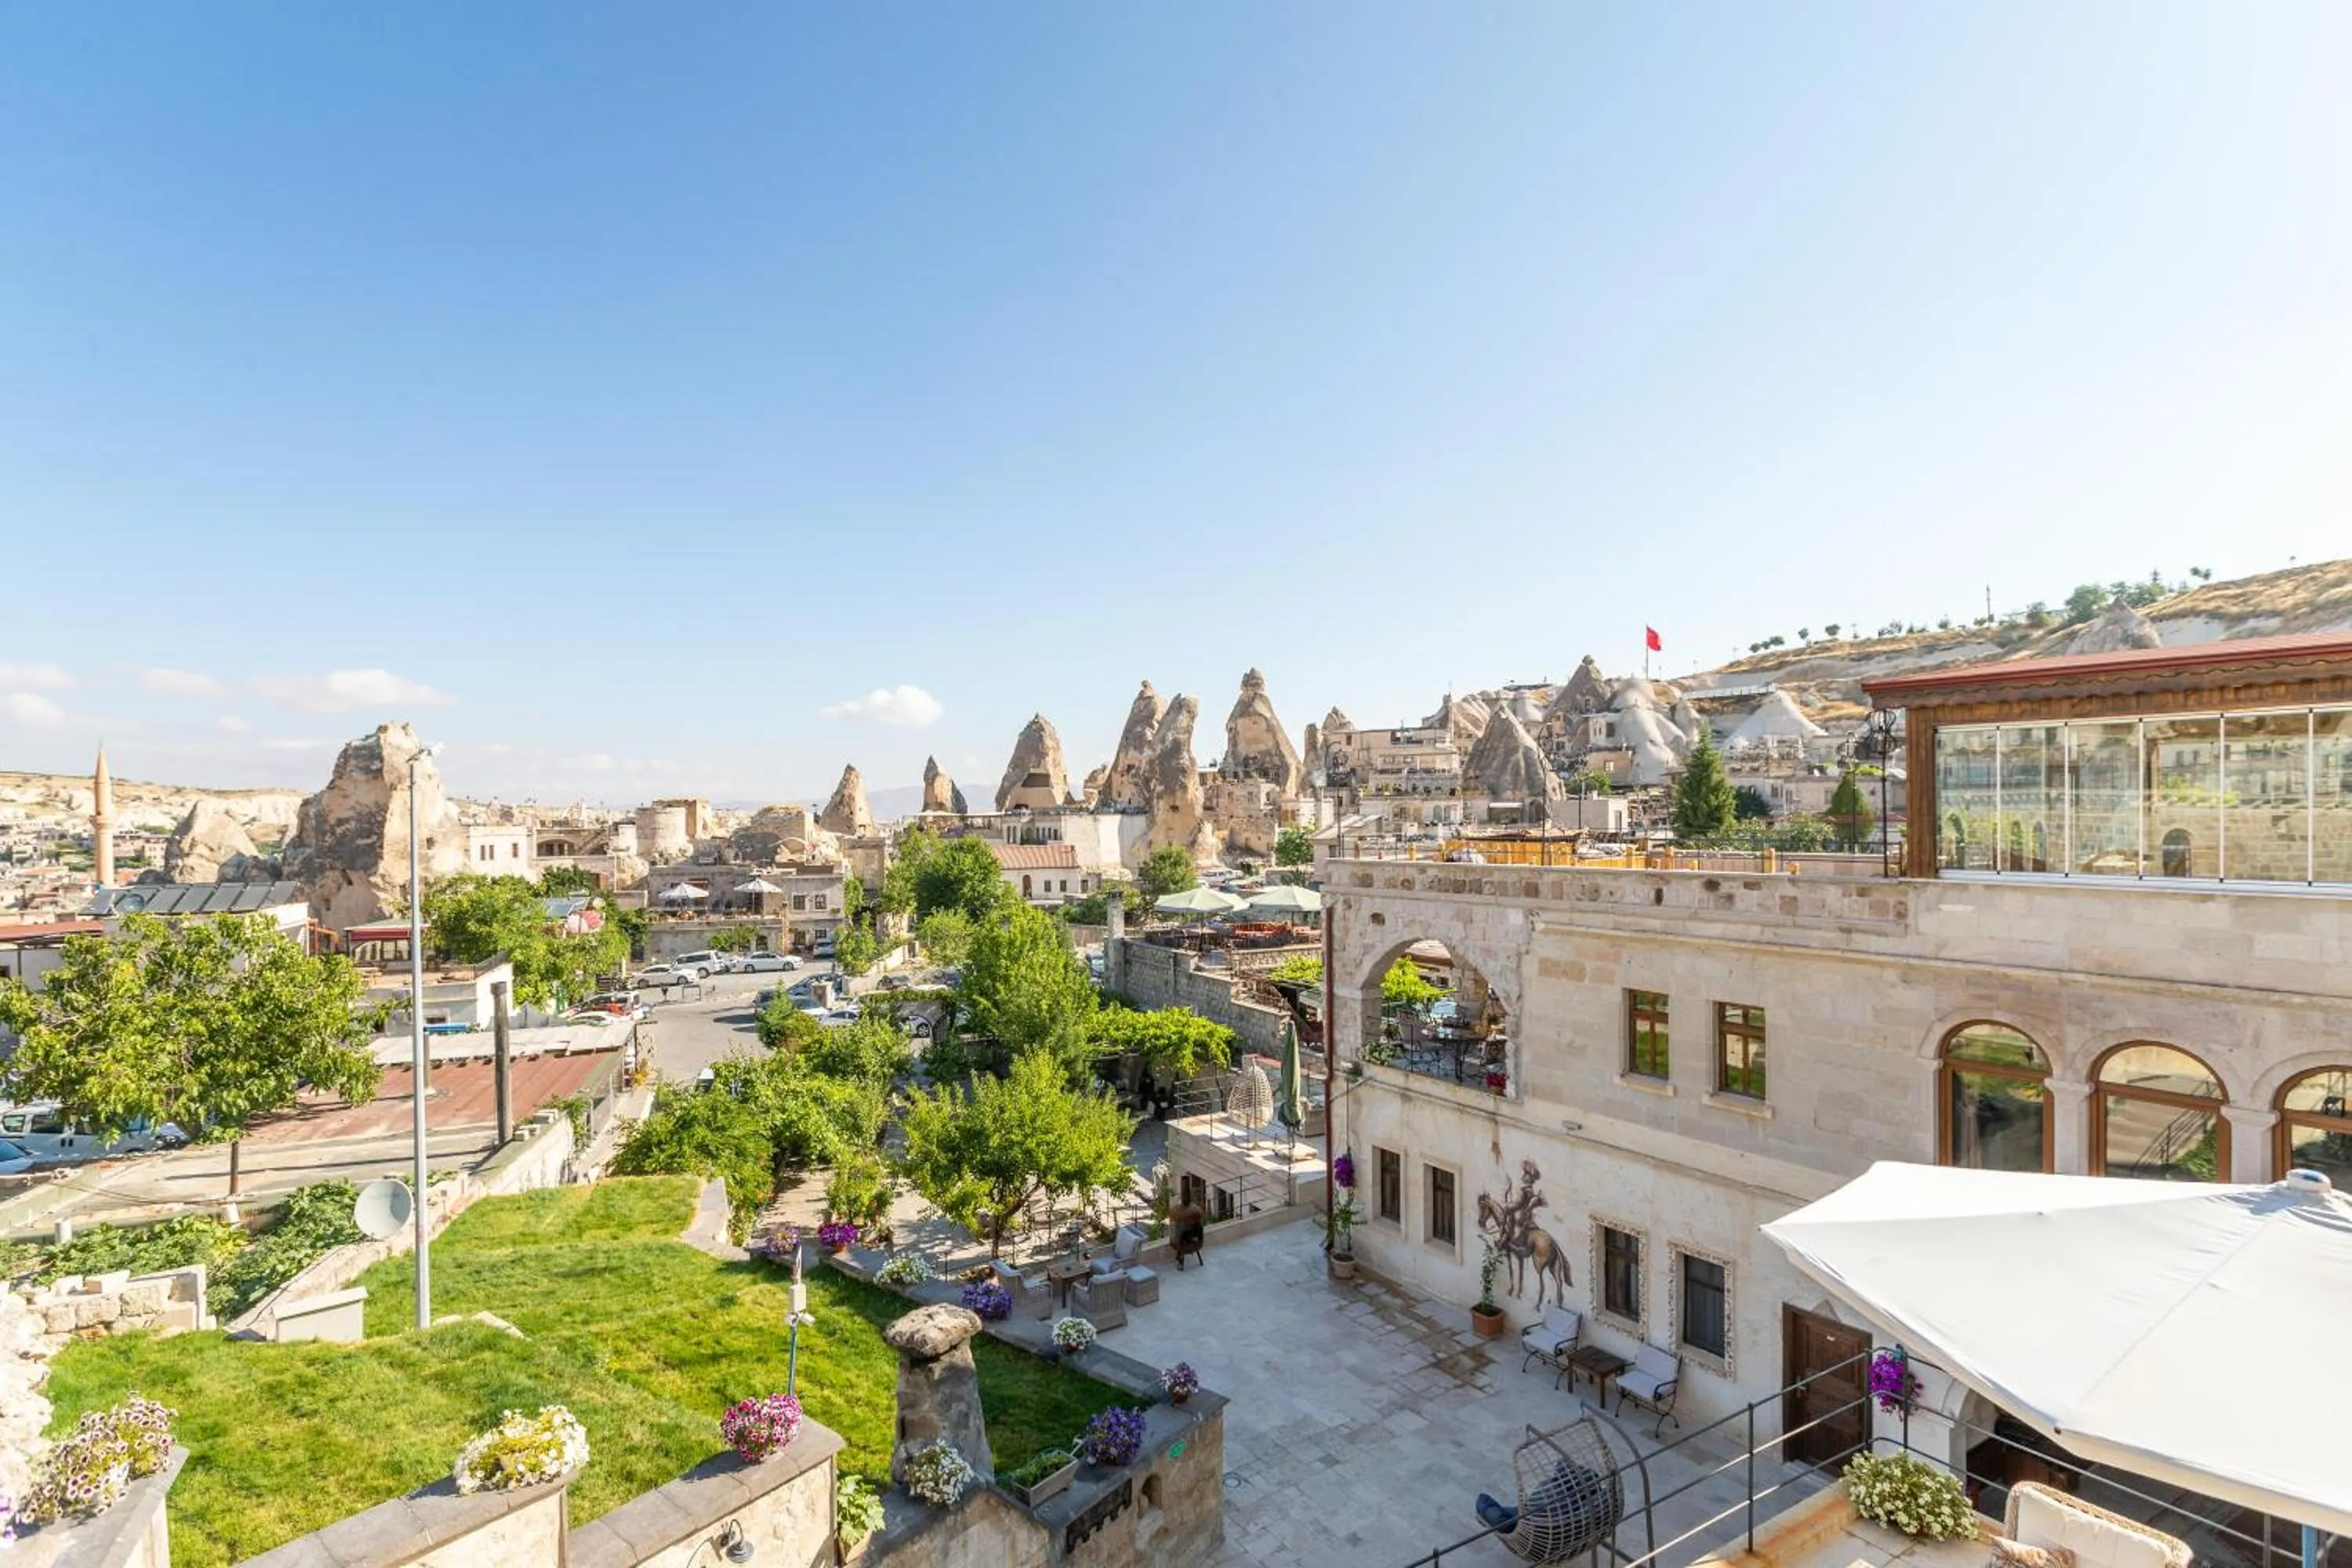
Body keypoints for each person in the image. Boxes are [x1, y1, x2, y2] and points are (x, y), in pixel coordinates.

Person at [1167, 1199, 1206, 1269]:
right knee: (1183, 1236)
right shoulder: (1198, 1227)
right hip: (1195, 1242)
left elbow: (1182, 1235)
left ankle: (1181, 1261)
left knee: (1183, 1237)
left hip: (1188, 1242)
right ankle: (1180, 1256)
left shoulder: (1188, 1231)